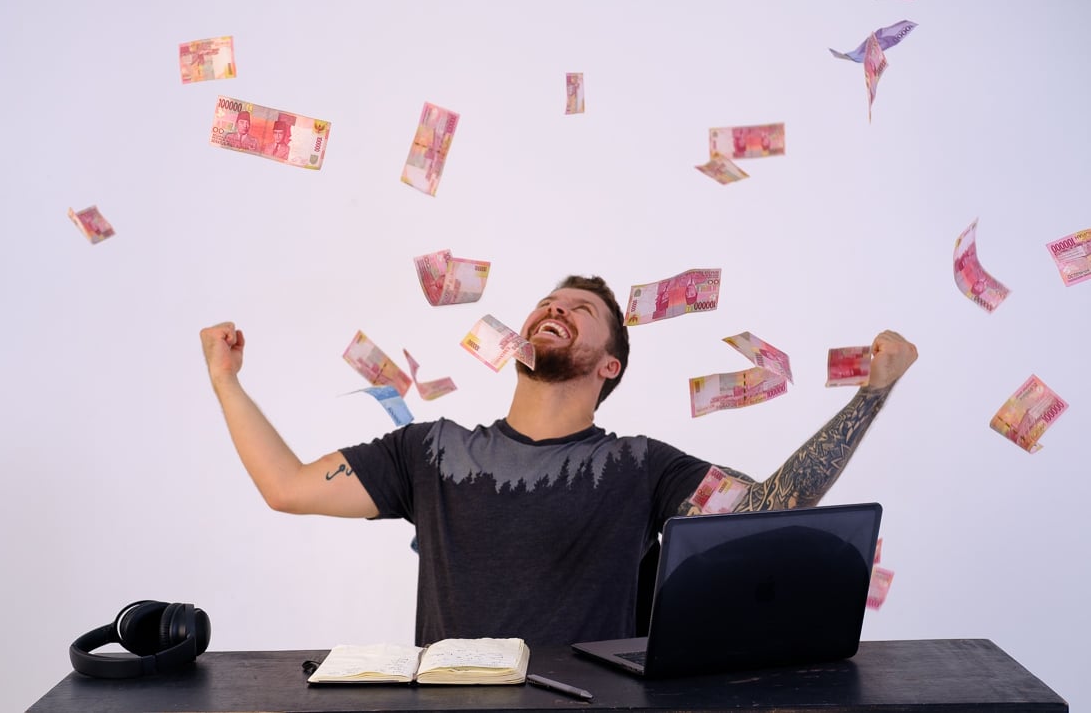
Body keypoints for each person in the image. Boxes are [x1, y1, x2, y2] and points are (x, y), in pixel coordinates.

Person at [199, 275, 917, 647]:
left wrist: (873, 396)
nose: (554, 308)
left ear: (608, 364)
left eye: (579, 310)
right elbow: (287, 486)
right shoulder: (430, 450)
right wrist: (226, 383)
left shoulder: (641, 466)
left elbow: (773, 512)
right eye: (548, 303)